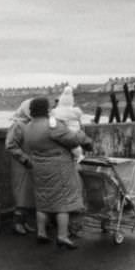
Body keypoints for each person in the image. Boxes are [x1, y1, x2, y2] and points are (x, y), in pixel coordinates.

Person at [23, 97, 93, 250]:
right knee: (63, 202)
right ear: (46, 109)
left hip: (38, 167)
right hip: (58, 168)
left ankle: (41, 233)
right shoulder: (52, 125)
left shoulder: (28, 127)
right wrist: (83, 137)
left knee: (42, 201)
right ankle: (62, 236)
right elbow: (72, 139)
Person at [5, 99, 36, 235]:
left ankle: (23, 222)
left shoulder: (30, 124)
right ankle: (17, 223)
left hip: (30, 164)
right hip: (21, 165)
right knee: (21, 194)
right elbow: (11, 145)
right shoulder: (17, 125)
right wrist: (24, 158)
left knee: (28, 195)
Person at [50, 86, 85, 163]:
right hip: (74, 132)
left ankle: (78, 156)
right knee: (75, 146)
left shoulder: (55, 112)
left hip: (62, 137)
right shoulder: (75, 111)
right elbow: (79, 115)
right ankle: (78, 156)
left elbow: (52, 120)